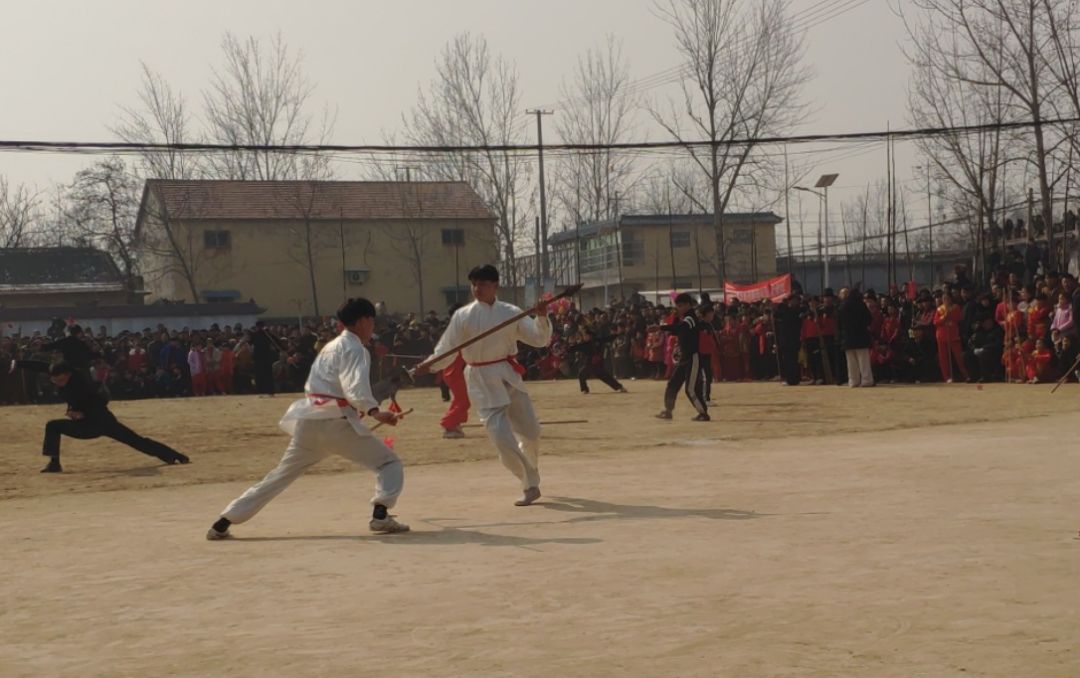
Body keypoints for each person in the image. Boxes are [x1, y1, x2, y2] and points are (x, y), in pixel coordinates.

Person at [206, 298, 409, 540]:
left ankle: (224, 520)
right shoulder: (356, 350)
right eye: (372, 321)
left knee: (279, 476)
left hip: (309, 423)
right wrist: (375, 412)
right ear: (363, 320)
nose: (373, 326)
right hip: (337, 424)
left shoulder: (329, 347)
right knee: (389, 464)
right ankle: (380, 514)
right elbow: (354, 388)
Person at [416, 264, 552, 507]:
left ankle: (531, 467)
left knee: (531, 432)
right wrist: (430, 365)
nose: (477, 289)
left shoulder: (511, 312)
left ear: (495, 286)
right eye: (474, 284)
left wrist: (541, 316)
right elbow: (447, 348)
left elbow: (539, 339)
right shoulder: (463, 315)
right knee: (501, 438)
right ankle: (529, 483)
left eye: (483, 284)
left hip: (508, 375)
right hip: (480, 380)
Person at [17, 361, 189, 473]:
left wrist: (77, 411)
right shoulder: (62, 373)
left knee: (137, 441)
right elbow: (42, 366)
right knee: (52, 426)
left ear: (68, 375)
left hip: (101, 422)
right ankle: (54, 463)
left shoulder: (81, 383)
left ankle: (174, 455)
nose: (58, 383)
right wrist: (18, 363)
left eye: (60, 380)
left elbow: (97, 401)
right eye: (55, 381)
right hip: (84, 425)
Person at [656, 294, 709, 421]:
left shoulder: (690, 318)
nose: (678, 308)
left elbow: (681, 328)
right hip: (684, 358)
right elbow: (679, 330)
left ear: (688, 305)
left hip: (693, 358)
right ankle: (668, 410)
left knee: (690, 389)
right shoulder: (686, 318)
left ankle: (703, 413)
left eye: (680, 306)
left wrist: (661, 327)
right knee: (673, 384)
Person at [568, 328, 626, 394]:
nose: (584, 337)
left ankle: (585, 389)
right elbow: (607, 338)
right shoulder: (597, 341)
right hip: (597, 364)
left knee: (582, 375)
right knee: (605, 377)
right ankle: (620, 387)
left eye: (585, 335)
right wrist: (616, 335)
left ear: (589, 336)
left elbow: (574, 348)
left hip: (591, 364)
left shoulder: (586, 344)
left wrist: (568, 348)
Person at [837, 286, 874, 387]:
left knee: (851, 362)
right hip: (861, 336)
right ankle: (866, 380)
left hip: (847, 337)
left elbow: (838, 322)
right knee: (863, 361)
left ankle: (853, 381)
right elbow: (868, 319)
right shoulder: (861, 305)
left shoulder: (842, 306)